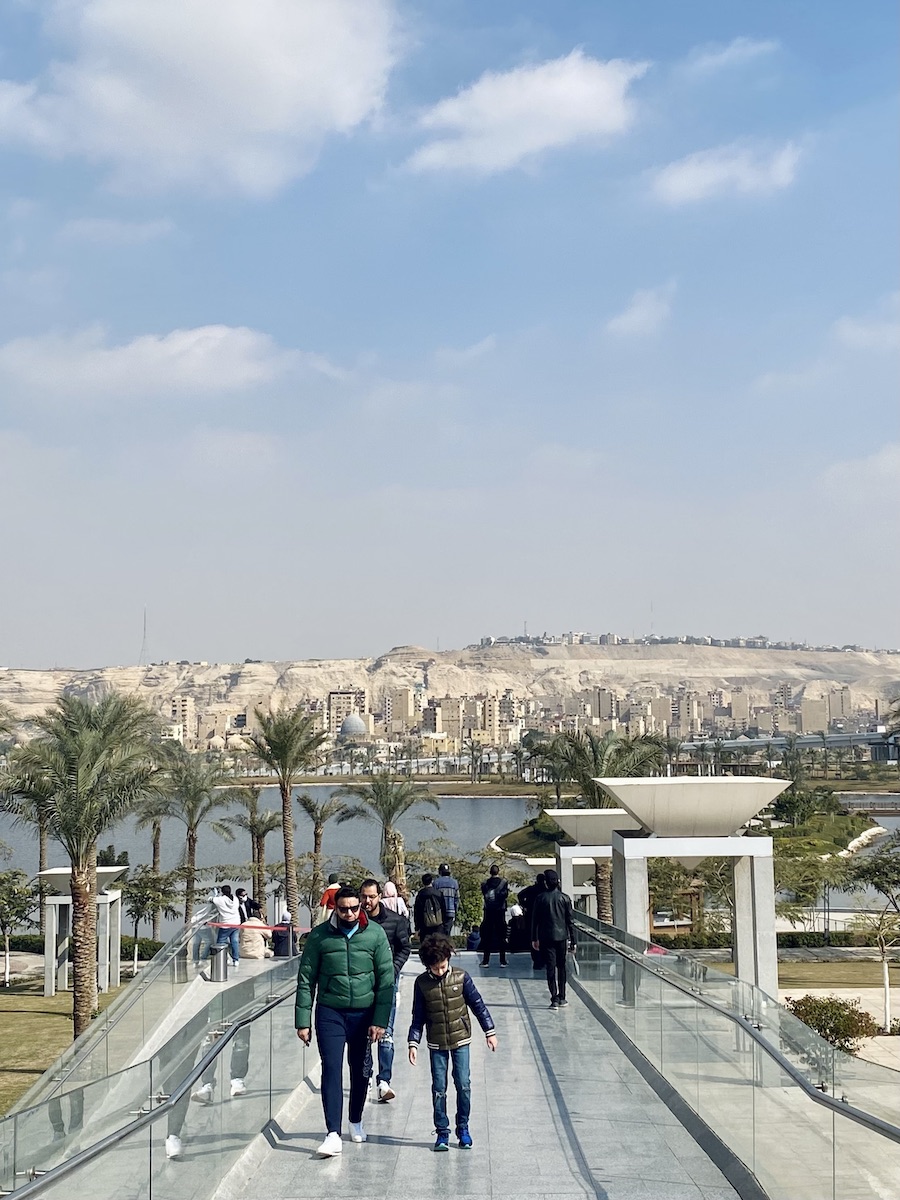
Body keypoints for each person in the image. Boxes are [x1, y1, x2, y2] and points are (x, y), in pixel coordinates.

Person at [295, 884, 394, 1157]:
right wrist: (302, 1021)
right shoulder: (319, 937)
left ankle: (355, 1120)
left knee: (361, 1071)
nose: (349, 913)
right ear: (335, 908)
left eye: (354, 907)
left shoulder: (375, 935)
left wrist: (380, 1019)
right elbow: (306, 980)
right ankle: (332, 1134)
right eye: (343, 909)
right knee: (331, 1068)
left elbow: (386, 980)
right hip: (330, 1012)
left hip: (364, 1014)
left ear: (361, 906)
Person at [407, 933, 498, 1151]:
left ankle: (463, 1128)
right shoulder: (421, 983)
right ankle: (442, 1132)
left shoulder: (461, 977)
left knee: (463, 1085)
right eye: (435, 968)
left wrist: (490, 1031)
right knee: (439, 1088)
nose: (440, 971)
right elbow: (417, 1016)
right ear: (427, 965)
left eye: (443, 966)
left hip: (461, 1039)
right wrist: (413, 1042)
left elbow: (478, 1005)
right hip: (436, 1043)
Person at [360, 878, 411, 1103]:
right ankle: (365, 1077)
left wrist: (393, 969)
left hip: (387, 983)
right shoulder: (354, 920)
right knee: (363, 1033)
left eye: (371, 896)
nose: (367, 901)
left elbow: (405, 947)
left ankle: (384, 1081)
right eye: (364, 896)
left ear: (380, 896)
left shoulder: (395, 921)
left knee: (386, 1031)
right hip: (362, 983)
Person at [531, 868, 576, 1010]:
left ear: (546, 883)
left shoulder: (540, 898)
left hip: (546, 937)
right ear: (557, 882)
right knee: (561, 966)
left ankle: (554, 998)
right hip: (562, 937)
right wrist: (573, 940)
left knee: (550, 967)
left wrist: (534, 938)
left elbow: (535, 921)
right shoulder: (565, 898)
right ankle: (563, 997)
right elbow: (570, 921)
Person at [479, 864, 509, 967]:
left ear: (490, 872)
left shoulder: (484, 884)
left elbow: (484, 894)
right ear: (498, 872)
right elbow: (505, 895)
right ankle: (503, 961)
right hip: (500, 912)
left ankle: (485, 961)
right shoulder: (504, 883)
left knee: (487, 937)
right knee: (502, 937)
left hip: (488, 912)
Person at [518, 872, 547, 970]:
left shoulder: (531, 889)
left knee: (533, 938)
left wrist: (525, 905)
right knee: (544, 938)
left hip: (531, 916)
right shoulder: (545, 890)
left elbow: (520, 895)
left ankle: (536, 961)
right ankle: (544, 960)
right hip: (543, 917)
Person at [212, 885, 241, 970]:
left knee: (220, 942)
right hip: (236, 923)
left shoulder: (220, 899)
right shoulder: (235, 899)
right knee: (234, 942)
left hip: (225, 924)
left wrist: (215, 894)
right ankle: (236, 960)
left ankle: (223, 958)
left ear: (222, 891)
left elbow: (211, 900)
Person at [413, 873, 447, 941]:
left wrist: (417, 927)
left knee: (426, 945)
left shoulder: (420, 894)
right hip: (438, 925)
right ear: (431, 881)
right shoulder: (438, 893)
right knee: (438, 945)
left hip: (424, 925)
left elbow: (417, 912)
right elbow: (444, 909)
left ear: (423, 882)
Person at [433, 863, 460, 936]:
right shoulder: (455, 882)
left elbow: (434, 898)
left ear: (440, 872)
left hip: (439, 912)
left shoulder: (436, 882)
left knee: (439, 933)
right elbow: (457, 899)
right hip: (450, 911)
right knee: (447, 932)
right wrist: (455, 911)